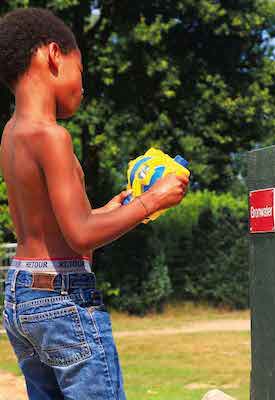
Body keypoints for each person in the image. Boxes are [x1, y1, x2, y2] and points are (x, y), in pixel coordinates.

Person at [0, 8, 188, 399]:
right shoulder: (53, 137)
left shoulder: (12, 133)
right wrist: (153, 199)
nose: (82, 88)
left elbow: (59, 225)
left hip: (23, 295)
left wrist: (119, 207)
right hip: (62, 297)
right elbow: (81, 235)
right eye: (80, 71)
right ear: (53, 55)